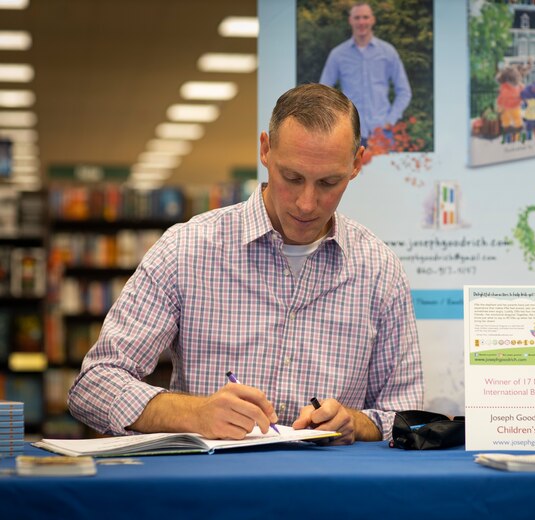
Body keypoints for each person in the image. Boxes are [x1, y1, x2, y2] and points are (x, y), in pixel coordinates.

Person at [68, 83, 424, 445]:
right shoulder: (187, 250)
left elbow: (405, 413)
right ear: (265, 150)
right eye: (292, 178)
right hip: (214, 491)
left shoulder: (379, 269)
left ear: (356, 165)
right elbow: (94, 385)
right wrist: (195, 415)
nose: (306, 203)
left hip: (328, 493)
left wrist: (354, 423)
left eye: (328, 183)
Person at [319, 2, 412, 145]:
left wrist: (390, 121)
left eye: (365, 17)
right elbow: (322, 92)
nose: (361, 22)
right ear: (350, 20)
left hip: (383, 134)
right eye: (357, 18)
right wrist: (338, 122)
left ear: (372, 20)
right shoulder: (338, 54)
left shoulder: (388, 52)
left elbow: (404, 91)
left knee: (384, 168)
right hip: (350, 135)